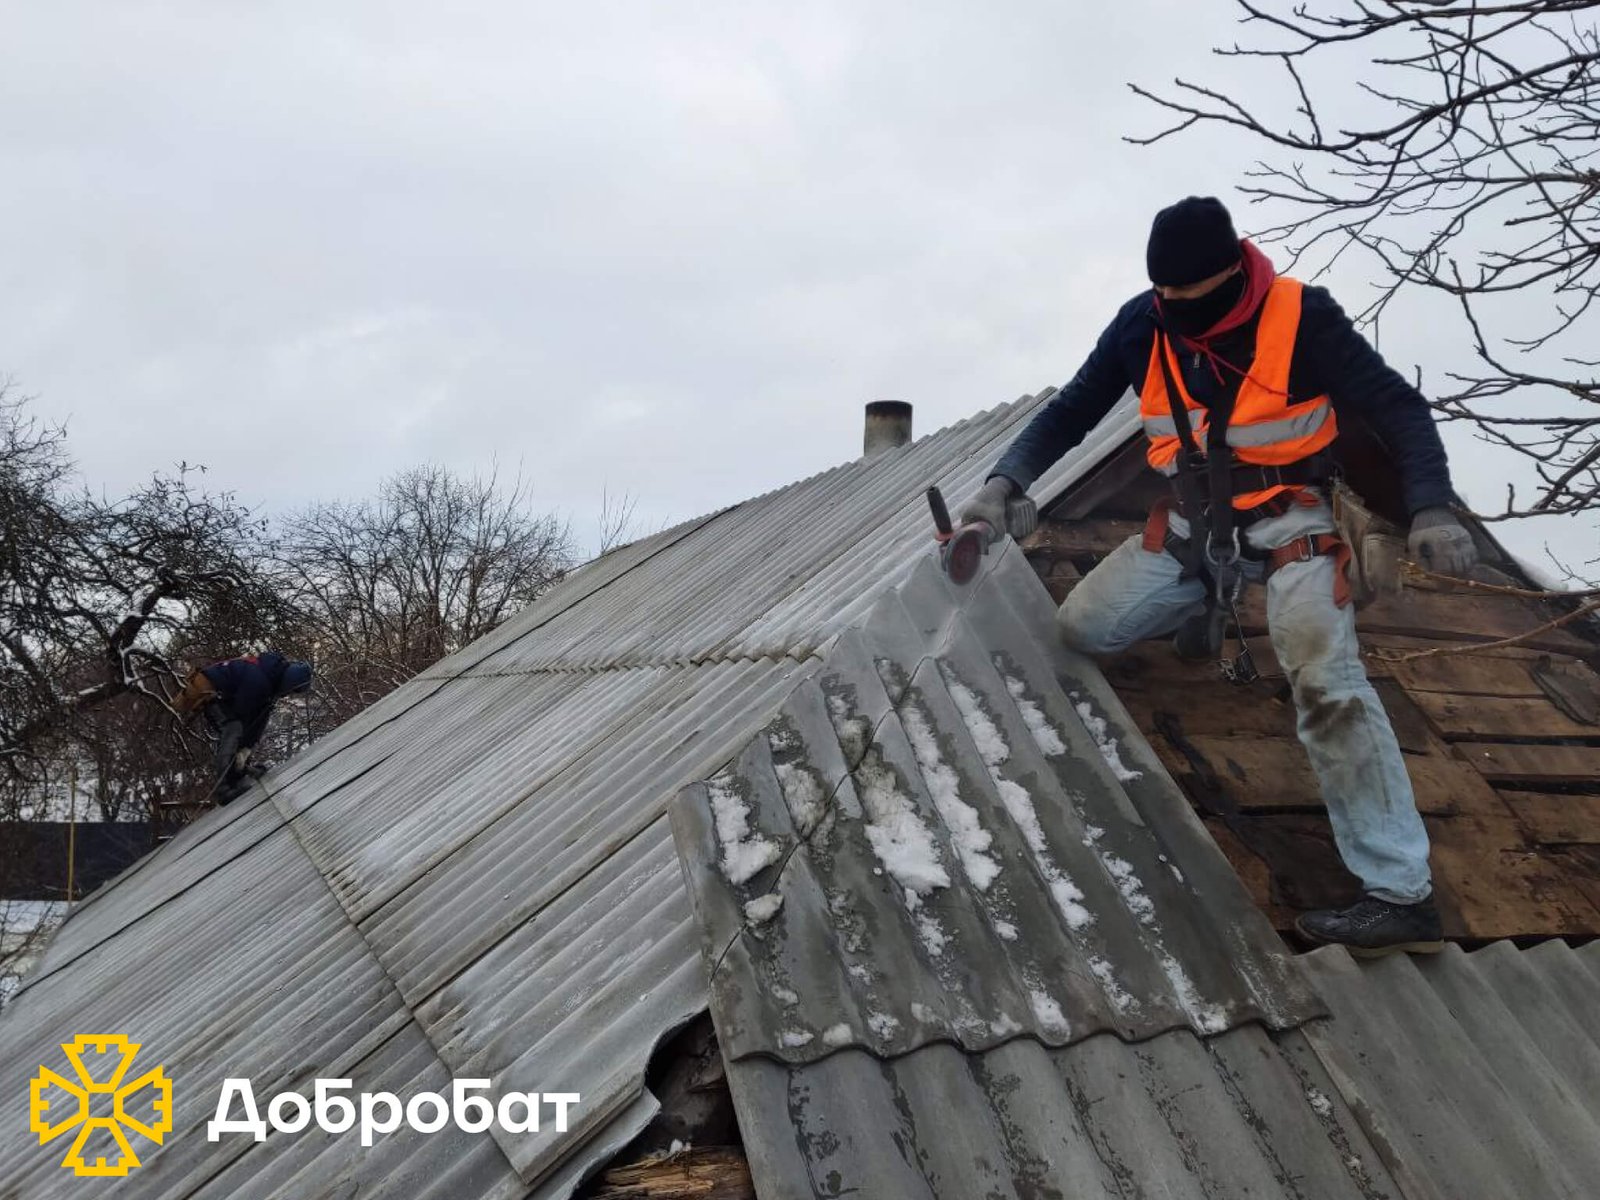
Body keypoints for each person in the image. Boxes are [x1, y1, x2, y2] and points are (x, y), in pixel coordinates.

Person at [963, 196, 1478, 956]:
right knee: (1082, 626)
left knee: (1325, 684)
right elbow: (1069, 411)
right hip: (1196, 527)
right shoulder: (1143, 323)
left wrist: (1432, 508)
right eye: (1163, 298)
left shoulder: (1302, 316)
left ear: (1233, 275)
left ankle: (1401, 893)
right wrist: (1003, 483)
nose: (1171, 314)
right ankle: (1207, 592)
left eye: (1187, 302)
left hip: (1294, 521)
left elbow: (1399, 408)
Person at [173, 651, 313, 802]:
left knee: (242, 729)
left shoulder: (270, 681)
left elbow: (259, 719)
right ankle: (224, 787)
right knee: (233, 728)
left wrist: (247, 749)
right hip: (209, 690)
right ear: (289, 682)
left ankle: (239, 772)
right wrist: (242, 747)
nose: (289, 694)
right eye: (292, 690)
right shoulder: (259, 680)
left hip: (225, 694)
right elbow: (243, 713)